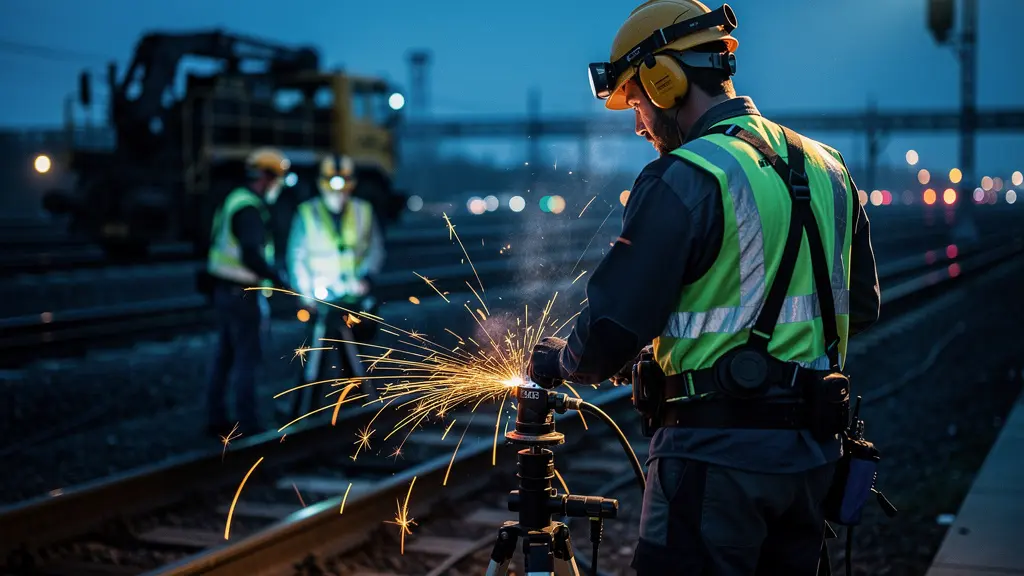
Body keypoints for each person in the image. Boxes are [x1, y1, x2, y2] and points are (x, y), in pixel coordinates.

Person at [527, 2, 881, 574]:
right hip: (815, 460)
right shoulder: (829, 166)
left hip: (715, 461)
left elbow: (611, 328)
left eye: (637, 103)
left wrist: (564, 359)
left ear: (663, 81)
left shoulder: (688, 175)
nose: (639, 125)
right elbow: (858, 308)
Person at [285, 153, 386, 417]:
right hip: (320, 304)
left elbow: (375, 249)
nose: (339, 192)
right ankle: (305, 412)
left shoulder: (363, 211)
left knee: (354, 360)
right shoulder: (308, 213)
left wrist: (366, 279)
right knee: (314, 363)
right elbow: (296, 258)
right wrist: (306, 296)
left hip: (351, 301)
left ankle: (357, 411)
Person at [204, 147, 292, 437]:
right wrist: (280, 279)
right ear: (266, 177)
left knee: (225, 357)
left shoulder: (234, 199)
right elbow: (251, 255)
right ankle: (249, 425)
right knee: (247, 359)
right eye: (277, 180)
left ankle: (215, 418)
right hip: (242, 295)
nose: (278, 187)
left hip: (223, 290)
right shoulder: (250, 208)